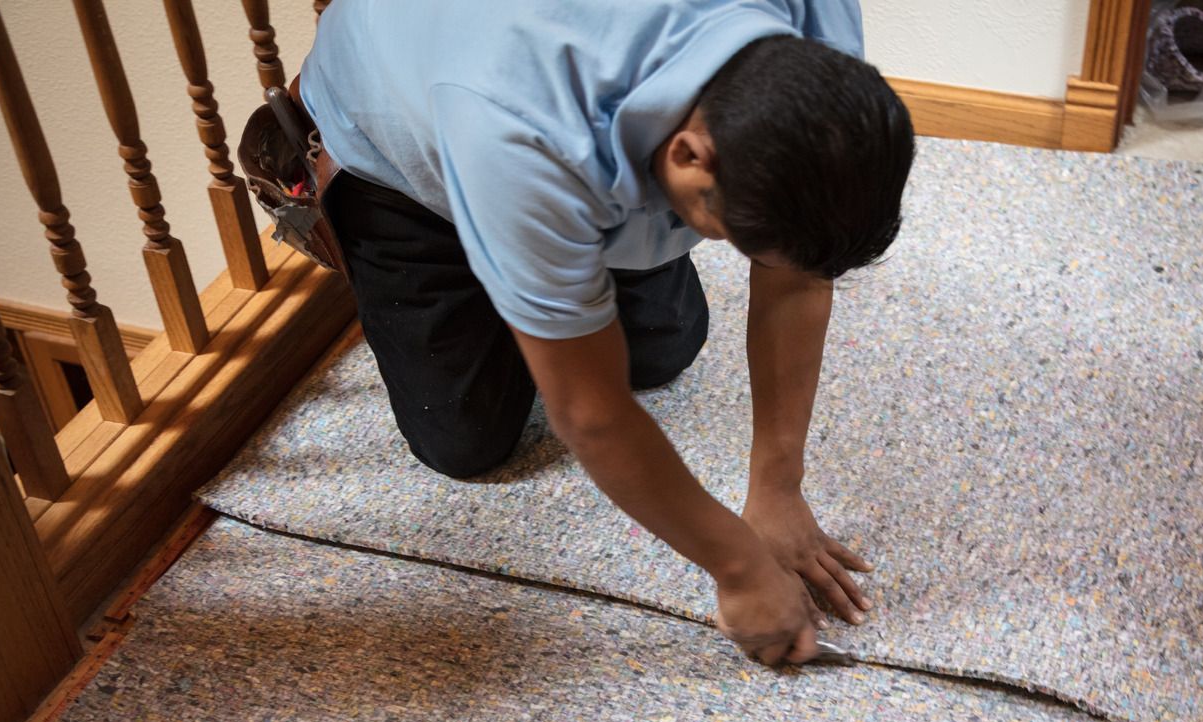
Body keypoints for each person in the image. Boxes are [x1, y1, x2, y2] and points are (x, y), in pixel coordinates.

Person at [299, 0, 915, 666]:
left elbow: (797, 276)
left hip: (545, 133)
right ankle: (508, 254)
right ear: (688, 153)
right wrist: (738, 567)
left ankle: (538, 261)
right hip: (395, 153)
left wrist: (777, 489)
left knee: (666, 344)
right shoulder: (514, 124)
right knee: (464, 437)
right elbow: (590, 416)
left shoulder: (813, 36)